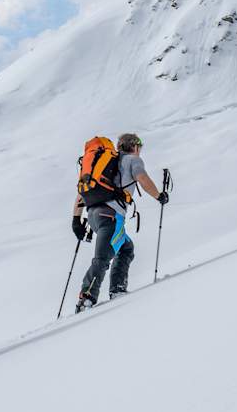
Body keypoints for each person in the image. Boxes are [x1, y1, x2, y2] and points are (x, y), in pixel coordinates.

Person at [72, 133, 168, 312]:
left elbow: (81, 192)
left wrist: (76, 220)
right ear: (136, 146)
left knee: (125, 247)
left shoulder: (105, 164)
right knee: (103, 258)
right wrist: (159, 195)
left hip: (93, 215)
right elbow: (142, 178)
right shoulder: (133, 160)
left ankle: (117, 289)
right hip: (111, 216)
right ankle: (86, 298)